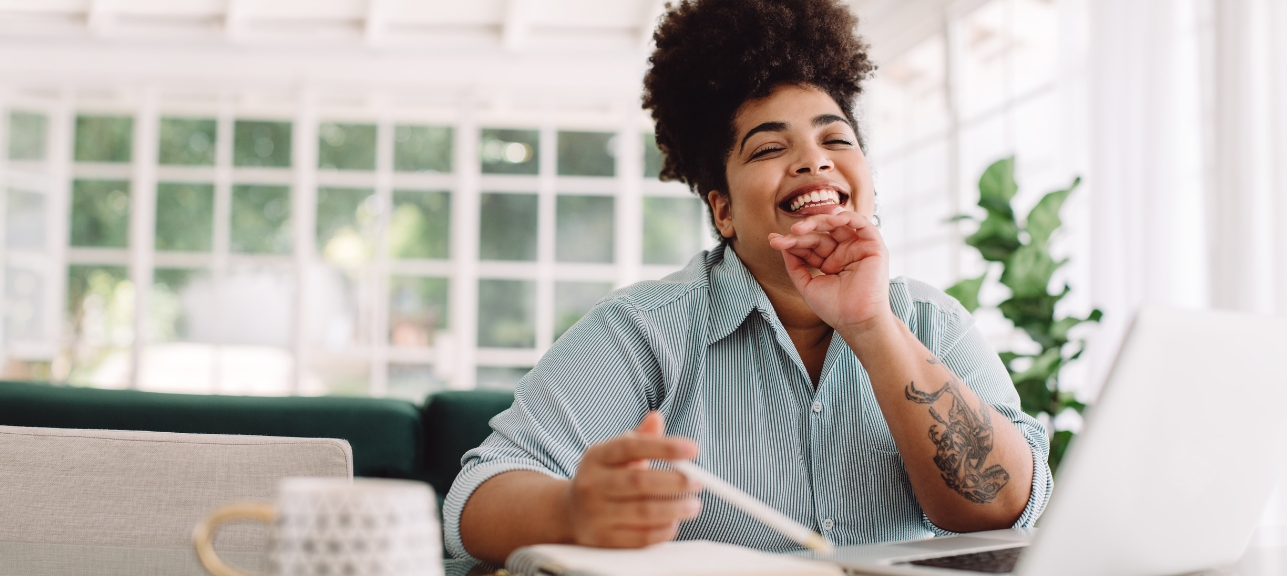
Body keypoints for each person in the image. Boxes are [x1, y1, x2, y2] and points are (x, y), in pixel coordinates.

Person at [445, 0, 1052, 564]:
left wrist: (872, 325)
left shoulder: (932, 323)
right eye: (767, 149)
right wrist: (572, 511)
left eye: (835, 138)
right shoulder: (642, 332)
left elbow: (1000, 509)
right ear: (724, 211)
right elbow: (474, 499)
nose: (813, 159)